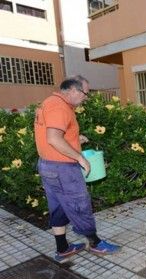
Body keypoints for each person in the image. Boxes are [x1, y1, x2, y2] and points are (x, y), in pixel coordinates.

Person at [34, 75, 120, 263]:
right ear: (73, 90)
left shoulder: (49, 102)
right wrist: (79, 157)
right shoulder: (60, 107)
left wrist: (74, 139)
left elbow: (52, 135)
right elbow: (54, 138)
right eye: (85, 93)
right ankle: (95, 243)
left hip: (47, 165)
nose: (86, 98)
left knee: (58, 207)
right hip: (63, 168)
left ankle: (62, 248)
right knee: (80, 204)